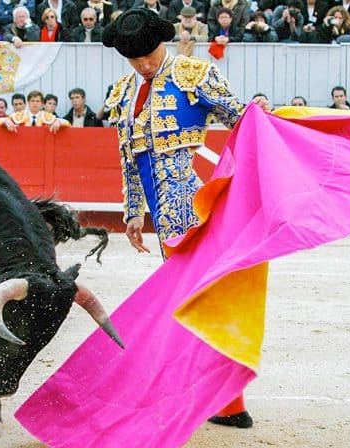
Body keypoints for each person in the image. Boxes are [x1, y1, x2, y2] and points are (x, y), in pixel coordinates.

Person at [101, 8, 268, 430]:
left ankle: (226, 402)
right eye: (134, 59)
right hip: (161, 215)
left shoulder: (192, 73)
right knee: (191, 300)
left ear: (163, 42)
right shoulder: (124, 91)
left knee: (197, 298)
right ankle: (225, 403)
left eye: (149, 54)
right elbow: (129, 157)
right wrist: (134, 212)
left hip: (191, 207)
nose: (144, 64)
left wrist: (261, 109)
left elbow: (241, 118)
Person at [0, 90, 70, 131]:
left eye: (37, 101)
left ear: (42, 104)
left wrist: (58, 122)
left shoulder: (47, 116)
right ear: (28, 103)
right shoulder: (19, 115)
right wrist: (6, 121)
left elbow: (68, 123)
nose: (35, 104)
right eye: (32, 101)